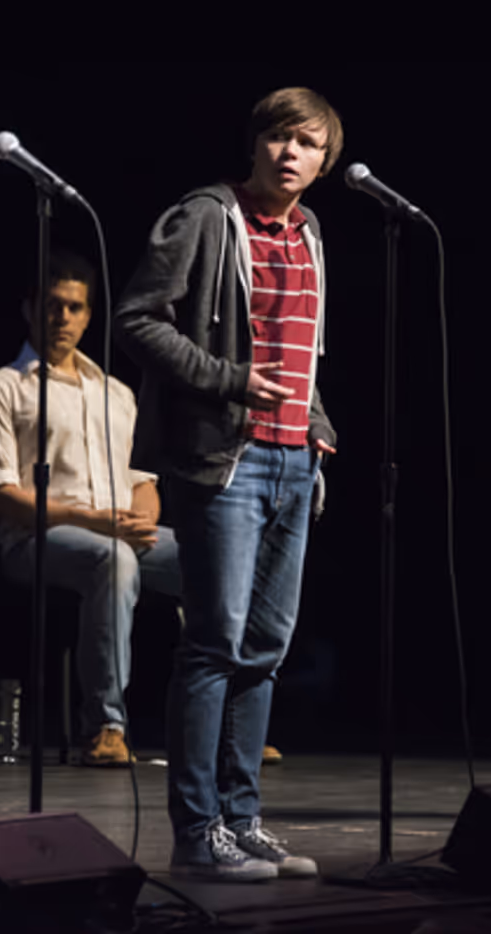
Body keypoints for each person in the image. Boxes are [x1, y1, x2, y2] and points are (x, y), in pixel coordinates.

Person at [114, 87, 341, 881]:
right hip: (226, 461)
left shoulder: (310, 232)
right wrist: (228, 379)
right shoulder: (209, 216)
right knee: (213, 644)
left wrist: (316, 423)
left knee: (266, 649)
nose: (290, 153)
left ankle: (242, 820)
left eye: (307, 143)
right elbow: (138, 318)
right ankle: (197, 829)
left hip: (294, 462)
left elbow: (301, 348)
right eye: (279, 137)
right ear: (255, 143)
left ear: (325, 161)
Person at [0, 252, 181, 767]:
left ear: (88, 316)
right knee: (114, 559)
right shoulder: (2, 387)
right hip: (37, 540)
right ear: (30, 309)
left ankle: (226, 723)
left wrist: (142, 518)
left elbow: (143, 480)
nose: (62, 317)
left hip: (119, 530)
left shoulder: (116, 393)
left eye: (74, 307)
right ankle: (106, 726)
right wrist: (94, 521)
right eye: (52, 305)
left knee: (216, 556)